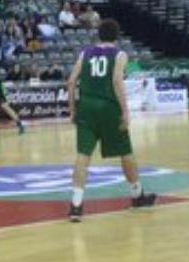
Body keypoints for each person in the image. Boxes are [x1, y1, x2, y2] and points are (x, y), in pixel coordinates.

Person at [67, 19, 157, 221]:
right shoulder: (120, 55)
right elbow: (117, 80)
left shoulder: (85, 53)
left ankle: (76, 205)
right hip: (109, 107)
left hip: (87, 107)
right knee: (126, 153)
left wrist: (72, 108)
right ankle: (137, 195)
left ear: (98, 34)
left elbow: (71, 80)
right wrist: (125, 110)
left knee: (83, 156)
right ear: (117, 36)